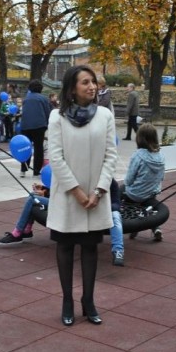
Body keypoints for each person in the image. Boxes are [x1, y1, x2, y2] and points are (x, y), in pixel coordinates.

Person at [47, 65, 118, 326]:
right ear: (72, 88)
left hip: (95, 195)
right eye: (85, 82)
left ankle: (88, 301)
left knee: (90, 248)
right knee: (65, 247)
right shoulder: (57, 117)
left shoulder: (104, 116)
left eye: (94, 82)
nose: (92, 87)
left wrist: (99, 190)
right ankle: (67, 300)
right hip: (69, 195)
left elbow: (111, 154)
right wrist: (76, 191)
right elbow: (56, 157)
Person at [123, 123, 165, 242]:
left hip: (135, 194)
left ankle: (131, 224)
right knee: (148, 206)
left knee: (121, 192)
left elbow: (129, 180)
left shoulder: (138, 155)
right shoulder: (161, 156)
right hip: (152, 193)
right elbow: (161, 177)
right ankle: (156, 228)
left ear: (139, 138)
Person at [20, 79, 52, 176]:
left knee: (26, 148)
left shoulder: (26, 99)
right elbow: (48, 112)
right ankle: (36, 171)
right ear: (40, 89)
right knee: (39, 148)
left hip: (26, 126)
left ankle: (23, 170)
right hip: (39, 126)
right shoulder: (44, 99)